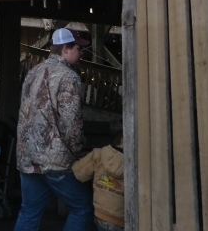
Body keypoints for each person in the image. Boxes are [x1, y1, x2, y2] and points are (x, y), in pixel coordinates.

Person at [13, 27, 92, 231]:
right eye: (78, 48)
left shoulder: (32, 73)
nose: (81, 53)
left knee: (29, 211)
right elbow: (70, 123)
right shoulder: (69, 77)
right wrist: (80, 153)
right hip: (56, 162)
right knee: (82, 208)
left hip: (28, 158)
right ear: (65, 49)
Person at [72, 128, 125, 231]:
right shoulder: (138, 160)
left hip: (101, 214)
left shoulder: (98, 154)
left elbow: (78, 173)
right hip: (123, 217)